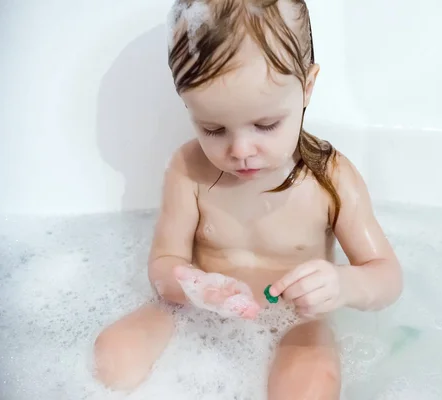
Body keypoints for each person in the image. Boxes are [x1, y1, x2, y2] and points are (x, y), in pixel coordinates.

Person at [92, 0, 403, 398]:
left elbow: (387, 277)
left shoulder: (330, 177)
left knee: (311, 387)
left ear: (307, 86)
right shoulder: (188, 170)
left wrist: (344, 284)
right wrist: (191, 286)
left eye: (266, 124)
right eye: (213, 129)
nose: (240, 149)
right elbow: (163, 264)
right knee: (111, 357)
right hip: (195, 311)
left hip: (296, 321)